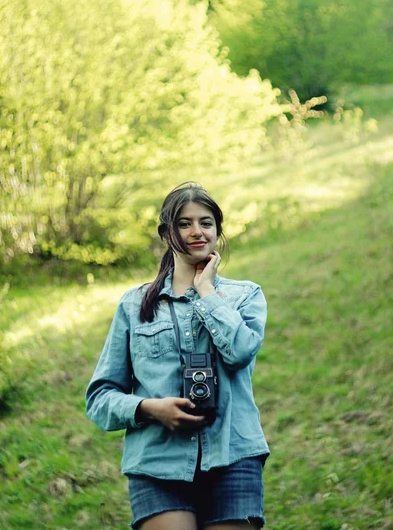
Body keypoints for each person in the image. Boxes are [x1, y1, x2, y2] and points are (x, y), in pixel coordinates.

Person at [86, 182, 270, 530]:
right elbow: (99, 399)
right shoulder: (134, 304)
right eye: (184, 223)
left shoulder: (245, 296)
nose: (197, 231)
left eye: (206, 222)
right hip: (157, 461)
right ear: (166, 232)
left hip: (233, 454)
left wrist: (207, 293)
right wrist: (148, 409)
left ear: (218, 230)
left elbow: (241, 352)